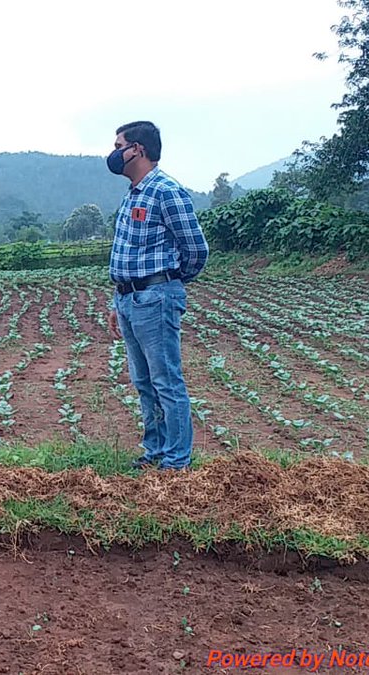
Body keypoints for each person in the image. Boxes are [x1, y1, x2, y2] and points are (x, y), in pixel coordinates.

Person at [104, 121, 209, 471]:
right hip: (128, 298)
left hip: (155, 297)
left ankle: (177, 461)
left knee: (166, 381)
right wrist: (118, 300)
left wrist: (168, 284)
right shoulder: (133, 193)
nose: (114, 153)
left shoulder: (166, 191)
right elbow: (127, 253)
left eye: (119, 146)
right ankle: (156, 451)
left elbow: (196, 249)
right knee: (144, 382)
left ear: (138, 149)